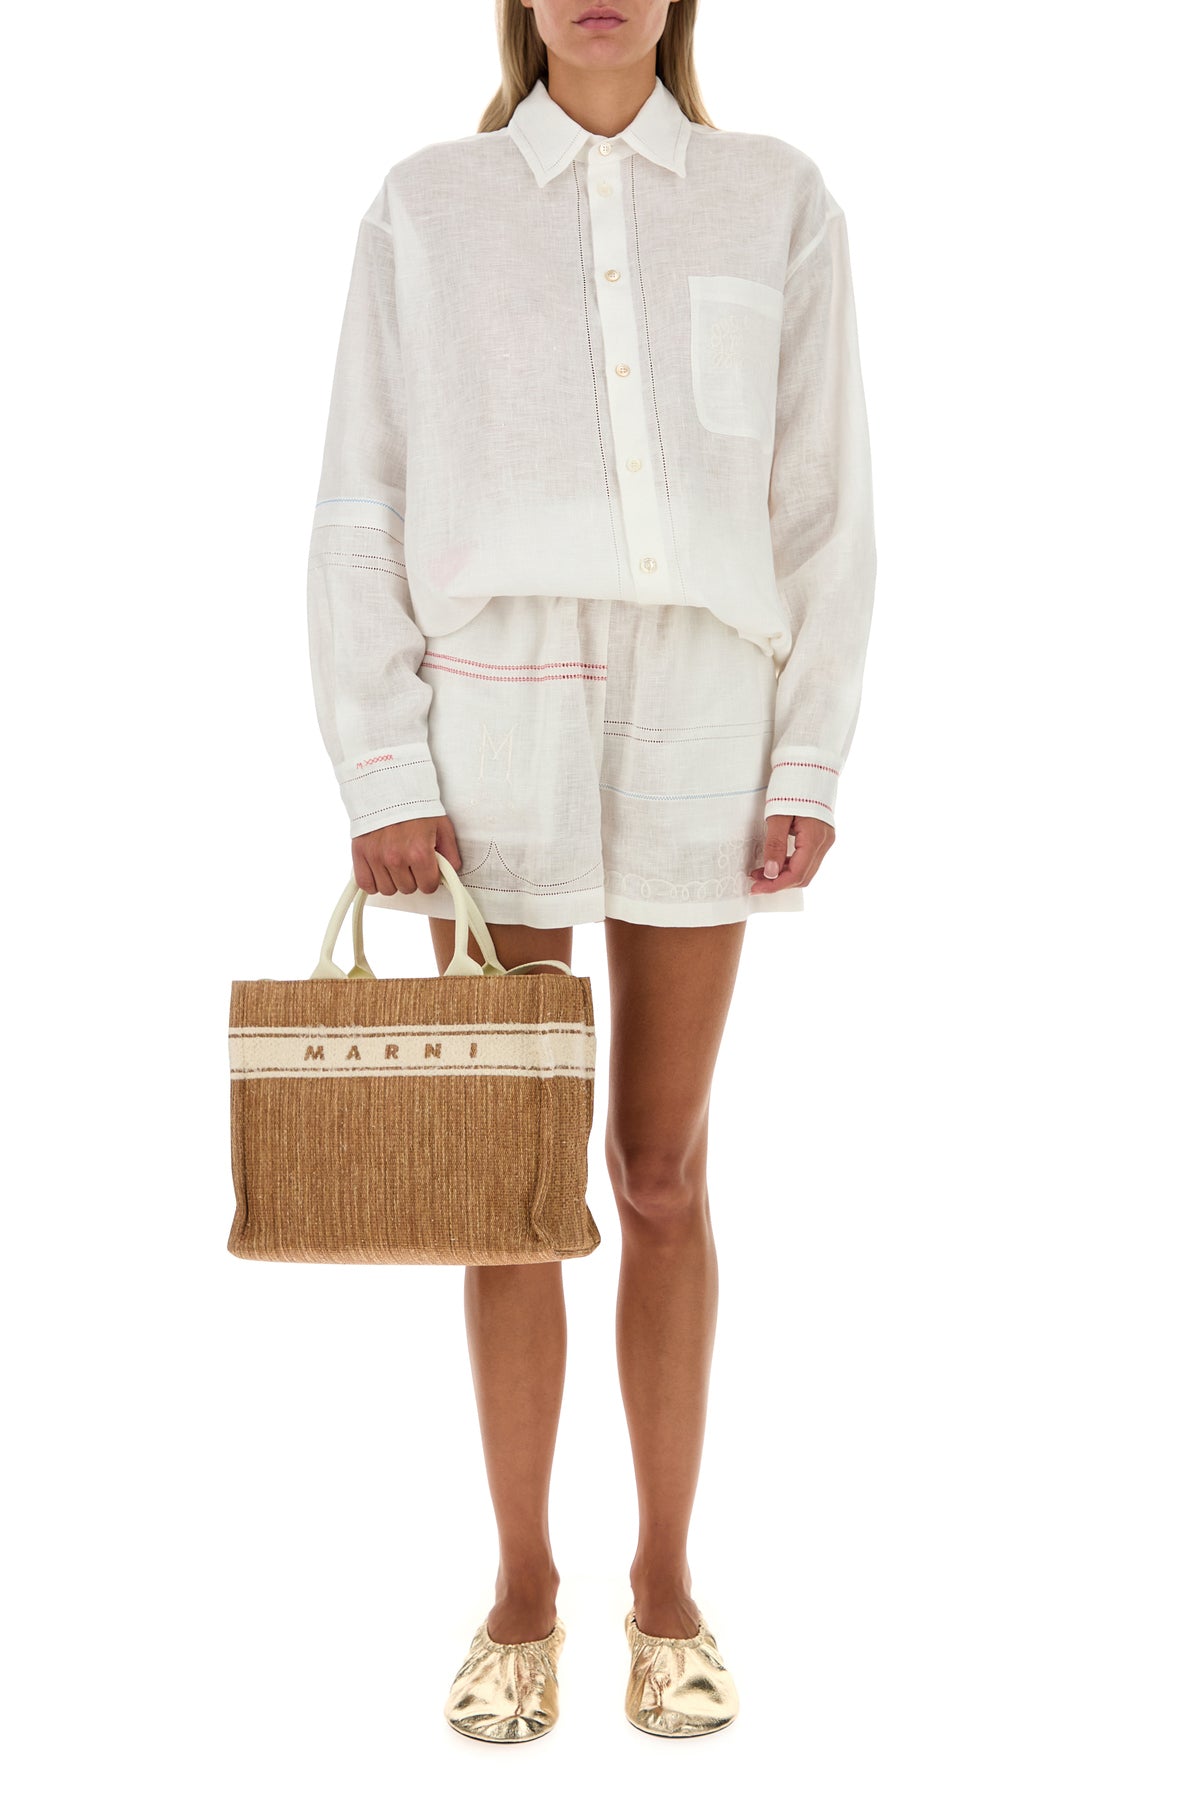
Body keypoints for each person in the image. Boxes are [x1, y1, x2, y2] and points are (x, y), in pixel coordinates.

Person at [306, 0, 876, 1743]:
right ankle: (519, 1591)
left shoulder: (776, 197)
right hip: (489, 711)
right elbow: (360, 500)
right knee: (509, 1180)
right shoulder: (429, 203)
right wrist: (385, 764)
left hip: (706, 705)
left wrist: (810, 753)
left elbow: (823, 502)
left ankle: (669, 1590)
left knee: (662, 1172)